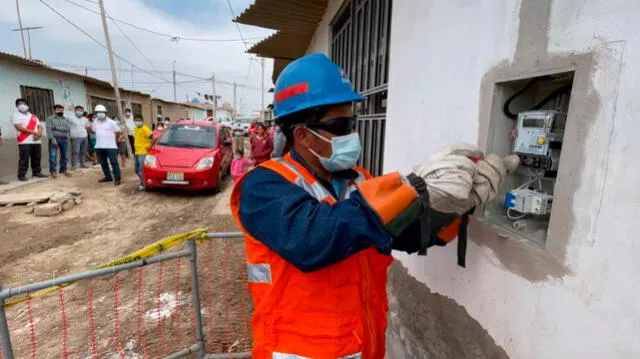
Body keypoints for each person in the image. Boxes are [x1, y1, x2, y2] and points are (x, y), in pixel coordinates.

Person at [229, 53, 519, 359]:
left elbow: (406, 235)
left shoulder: (360, 182)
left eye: (351, 123)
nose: (351, 134)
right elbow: (312, 240)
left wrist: (456, 203)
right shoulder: (263, 186)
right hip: (298, 350)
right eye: (340, 126)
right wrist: (412, 187)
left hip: (363, 344)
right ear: (302, 134)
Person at [12, 98, 45, 181]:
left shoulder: (33, 116)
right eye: (19, 104)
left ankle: (37, 172)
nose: (22, 105)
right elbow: (19, 127)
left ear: (28, 106)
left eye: (24, 103)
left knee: (37, 157)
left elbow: (39, 126)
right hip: (24, 141)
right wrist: (34, 132)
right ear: (16, 106)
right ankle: (21, 175)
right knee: (24, 159)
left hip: (36, 140)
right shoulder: (16, 115)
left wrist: (39, 133)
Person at [92, 104, 122, 185]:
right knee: (103, 162)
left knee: (114, 162)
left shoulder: (112, 122)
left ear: (105, 113)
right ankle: (108, 177)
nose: (100, 114)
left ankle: (117, 178)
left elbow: (118, 132)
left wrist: (115, 141)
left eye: (102, 112)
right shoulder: (95, 122)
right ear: (95, 113)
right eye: (98, 112)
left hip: (111, 146)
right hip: (99, 146)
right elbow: (94, 131)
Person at [45, 104, 72, 178]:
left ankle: (63, 169)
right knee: (52, 156)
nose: (60, 111)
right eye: (58, 109)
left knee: (65, 156)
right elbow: (48, 129)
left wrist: (56, 127)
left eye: (61, 109)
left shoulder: (67, 119)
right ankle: (53, 171)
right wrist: (52, 139)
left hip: (64, 139)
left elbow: (68, 128)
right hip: (54, 138)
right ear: (54, 110)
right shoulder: (50, 118)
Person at [133, 114, 154, 191]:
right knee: (136, 170)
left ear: (142, 121)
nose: (138, 122)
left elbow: (154, 137)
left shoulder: (145, 129)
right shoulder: (135, 128)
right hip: (137, 152)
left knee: (140, 170)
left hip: (143, 152)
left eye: (139, 121)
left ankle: (144, 184)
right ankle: (143, 182)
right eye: (136, 120)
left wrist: (150, 146)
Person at [69, 105, 90, 169]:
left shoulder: (85, 119)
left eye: (81, 111)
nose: (79, 112)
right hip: (75, 137)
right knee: (75, 151)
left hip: (84, 136)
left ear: (83, 112)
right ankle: (74, 165)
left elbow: (87, 127)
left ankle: (82, 163)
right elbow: (67, 127)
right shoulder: (71, 118)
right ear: (75, 111)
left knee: (83, 151)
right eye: (78, 110)